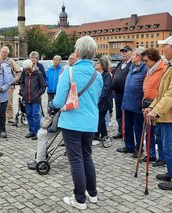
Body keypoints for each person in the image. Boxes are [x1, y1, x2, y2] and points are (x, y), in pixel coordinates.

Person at [52, 36, 103, 210]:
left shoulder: (70, 72)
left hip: (72, 122)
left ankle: (80, 199)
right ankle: (92, 193)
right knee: (87, 156)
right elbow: (97, 98)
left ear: (78, 51)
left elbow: (58, 102)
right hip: (90, 122)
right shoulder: (98, 74)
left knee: (76, 160)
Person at [145, 36, 172, 191]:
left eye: (165, 47)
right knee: (165, 144)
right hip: (166, 112)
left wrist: (157, 110)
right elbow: (162, 93)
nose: (163, 50)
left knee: (170, 146)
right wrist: (153, 107)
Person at [117, 47, 147, 158]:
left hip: (137, 103)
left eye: (133, 55)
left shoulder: (144, 68)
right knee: (128, 126)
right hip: (128, 102)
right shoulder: (132, 67)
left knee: (138, 128)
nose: (131, 56)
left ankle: (139, 148)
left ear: (139, 57)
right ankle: (129, 146)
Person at [140, 48, 167, 166]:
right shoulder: (150, 69)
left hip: (157, 103)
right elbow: (146, 86)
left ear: (152, 58)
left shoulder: (163, 68)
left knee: (159, 133)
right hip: (147, 103)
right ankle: (150, 154)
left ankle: (162, 157)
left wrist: (156, 106)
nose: (145, 63)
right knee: (148, 131)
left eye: (146, 60)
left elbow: (164, 89)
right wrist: (144, 102)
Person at [20, 59, 46, 140]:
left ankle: (37, 132)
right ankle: (31, 131)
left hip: (35, 99)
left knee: (35, 115)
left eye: (28, 69)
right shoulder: (24, 72)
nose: (28, 71)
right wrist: (23, 91)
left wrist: (38, 94)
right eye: (26, 69)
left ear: (32, 66)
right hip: (27, 98)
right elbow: (22, 82)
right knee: (29, 114)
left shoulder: (38, 73)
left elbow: (43, 86)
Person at [111, 45, 133, 139]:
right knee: (119, 112)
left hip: (125, 92)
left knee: (125, 113)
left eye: (126, 51)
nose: (124, 53)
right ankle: (120, 130)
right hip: (117, 92)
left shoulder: (132, 64)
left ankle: (126, 131)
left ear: (131, 52)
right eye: (123, 52)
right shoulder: (120, 63)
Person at [0, 46, 22, 124]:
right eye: (2, 52)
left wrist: (14, 80)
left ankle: (10, 116)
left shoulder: (11, 61)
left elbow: (19, 71)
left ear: (7, 53)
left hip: (9, 86)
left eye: (5, 52)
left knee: (9, 102)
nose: (4, 54)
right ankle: (0, 117)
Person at [94, 56, 112, 143]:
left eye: (98, 63)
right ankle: (105, 136)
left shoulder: (106, 75)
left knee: (99, 119)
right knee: (101, 120)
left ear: (102, 65)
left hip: (104, 101)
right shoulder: (97, 74)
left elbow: (105, 89)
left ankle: (95, 136)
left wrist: (98, 99)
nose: (96, 64)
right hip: (98, 100)